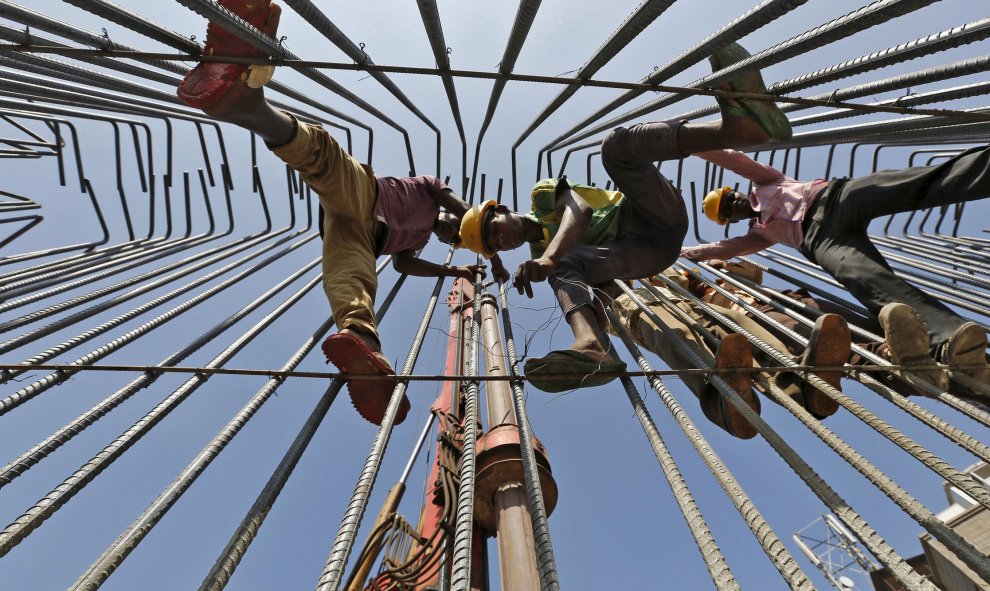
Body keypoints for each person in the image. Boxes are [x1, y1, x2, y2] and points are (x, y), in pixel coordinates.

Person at [177, 0, 509, 425]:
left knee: (352, 282)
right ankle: (246, 103)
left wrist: (454, 273)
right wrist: (489, 251)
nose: (450, 236)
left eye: (453, 240)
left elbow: (405, 265)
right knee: (324, 155)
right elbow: (464, 212)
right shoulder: (431, 188)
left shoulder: (423, 236)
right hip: (366, 195)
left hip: (362, 238)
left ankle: (360, 340)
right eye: (455, 233)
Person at [457, 42, 793, 392]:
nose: (501, 240)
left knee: (615, 148)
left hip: (652, 214)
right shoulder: (545, 259)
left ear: (501, 211)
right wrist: (588, 303)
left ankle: (735, 131)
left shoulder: (542, 199)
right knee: (564, 270)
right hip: (644, 256)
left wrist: (549, 259)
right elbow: (600, 282)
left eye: (493, 230)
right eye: (495, 245)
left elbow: (579, 211)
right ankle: (593, 347)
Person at [680, 145, 990, 398]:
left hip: (835, 197)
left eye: (731, 198)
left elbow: (734, 159)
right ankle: (949, 342)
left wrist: (695, 146)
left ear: (737, 192)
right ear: (731, 219)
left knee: (917, 183)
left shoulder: (766, 182)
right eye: (728, 210)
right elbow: (724, 250)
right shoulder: (760, 233)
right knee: (867, 281)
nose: (734, 205)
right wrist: (685, 252)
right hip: (822, 240)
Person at [609, 266, 851, 439]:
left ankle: (802, 384)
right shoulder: (605, 296)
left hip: (690, 304)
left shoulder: (654, 280)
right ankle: (724, 403)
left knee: (739, 328)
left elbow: (675, 277)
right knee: (678, 338)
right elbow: (605, 319)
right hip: (643, 314)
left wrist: (649, 268)